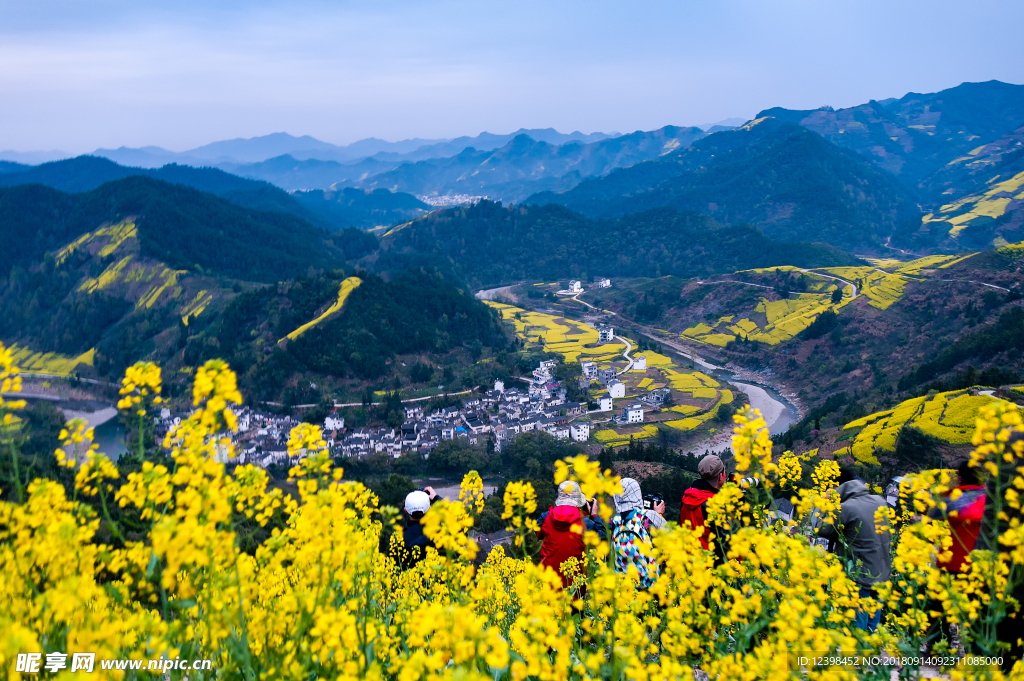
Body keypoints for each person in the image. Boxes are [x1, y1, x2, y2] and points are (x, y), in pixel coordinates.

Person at [818, 470, 891, 633]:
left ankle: (857, 658)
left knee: (856, 629)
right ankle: (871, 656)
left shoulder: (846, 508)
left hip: (860, 577)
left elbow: (821, 529)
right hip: (882, 573)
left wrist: (825, 503)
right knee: (873, 627)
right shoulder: (879, 500)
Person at [536, 481, 602, 589]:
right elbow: (602, 537)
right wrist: (593, 516)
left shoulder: (546, 517)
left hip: (547, 589)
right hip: (575, 591)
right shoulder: (586, 523)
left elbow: (538, 533)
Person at [610, 478, 662, 589]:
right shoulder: (647, 516)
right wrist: (659, 515)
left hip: (622, 589)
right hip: (649, 588)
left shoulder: (614, 521)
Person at [680, 454, 728, 556]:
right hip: (712, 566)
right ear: (720, 476)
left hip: (690, 563)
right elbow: (726, 543)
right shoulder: (714, 504)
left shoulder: (687, 497)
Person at [393, 486, 441, 568]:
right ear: (430, 509)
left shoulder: (399, 540)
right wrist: (437, 498)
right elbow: (459, 520)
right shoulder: (439, 535)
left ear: (406, 511)